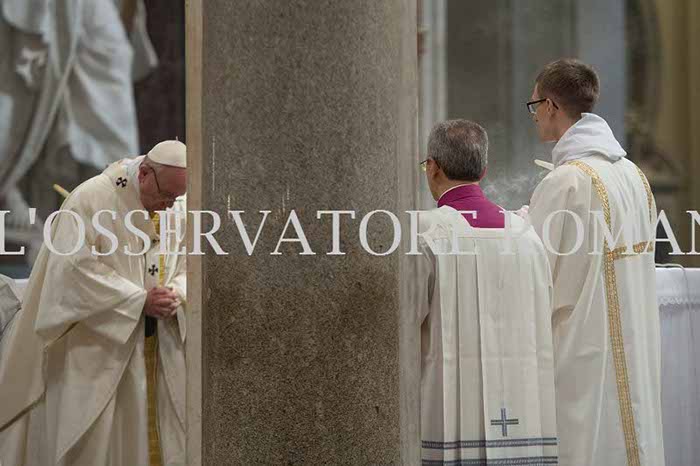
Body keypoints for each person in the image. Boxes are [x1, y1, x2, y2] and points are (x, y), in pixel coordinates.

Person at [0, 141, 188, 466]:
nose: (169, 206)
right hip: (97, 350)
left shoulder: (178, 204)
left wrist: (176, 292)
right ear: (144, 173)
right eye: (165, 196)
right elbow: (72, 271)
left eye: (175, 198)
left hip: (161, 348)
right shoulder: (90, 200)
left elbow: (192, 263)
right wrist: (137, 300)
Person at [527, 59, 664, 466]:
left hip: (582, 348)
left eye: (534, 105)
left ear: (551, 106)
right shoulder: (634, 175)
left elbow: (536, 271)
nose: (534, 116)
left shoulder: (566, 181)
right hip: (634, 346)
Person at [417, 120, 558, 465]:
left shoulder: (425, 232)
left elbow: (404, 322)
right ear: (483, 171)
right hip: (523, 407)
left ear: (432, 167)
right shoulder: (526, 236)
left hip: (450, 406)